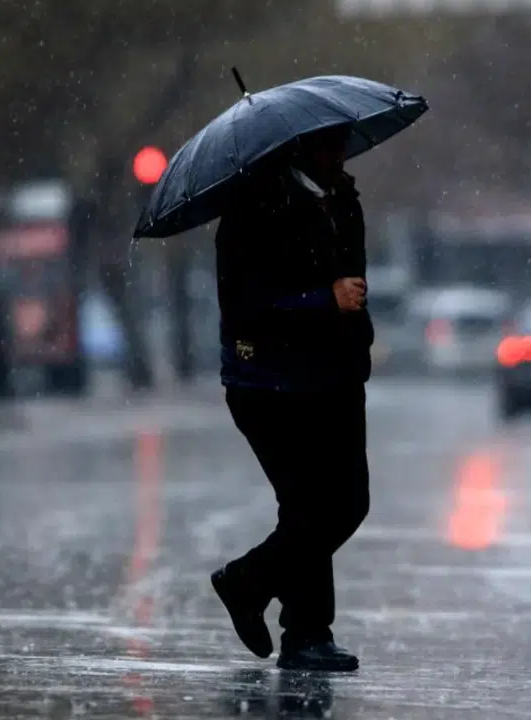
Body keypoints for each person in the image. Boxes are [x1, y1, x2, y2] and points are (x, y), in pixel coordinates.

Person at [209, 123, 372, 673]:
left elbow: (355, 284)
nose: (340, 154)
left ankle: (250, 586)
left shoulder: (343, 200)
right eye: (329, 144)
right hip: (270, 383)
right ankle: (304, 632)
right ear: (300, 147)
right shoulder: (253, 209)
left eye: (342, 143)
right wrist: (321, 301)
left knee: (347, 503)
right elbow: (247, 308)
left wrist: (354, 335)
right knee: (311, 507)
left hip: (336, 377)